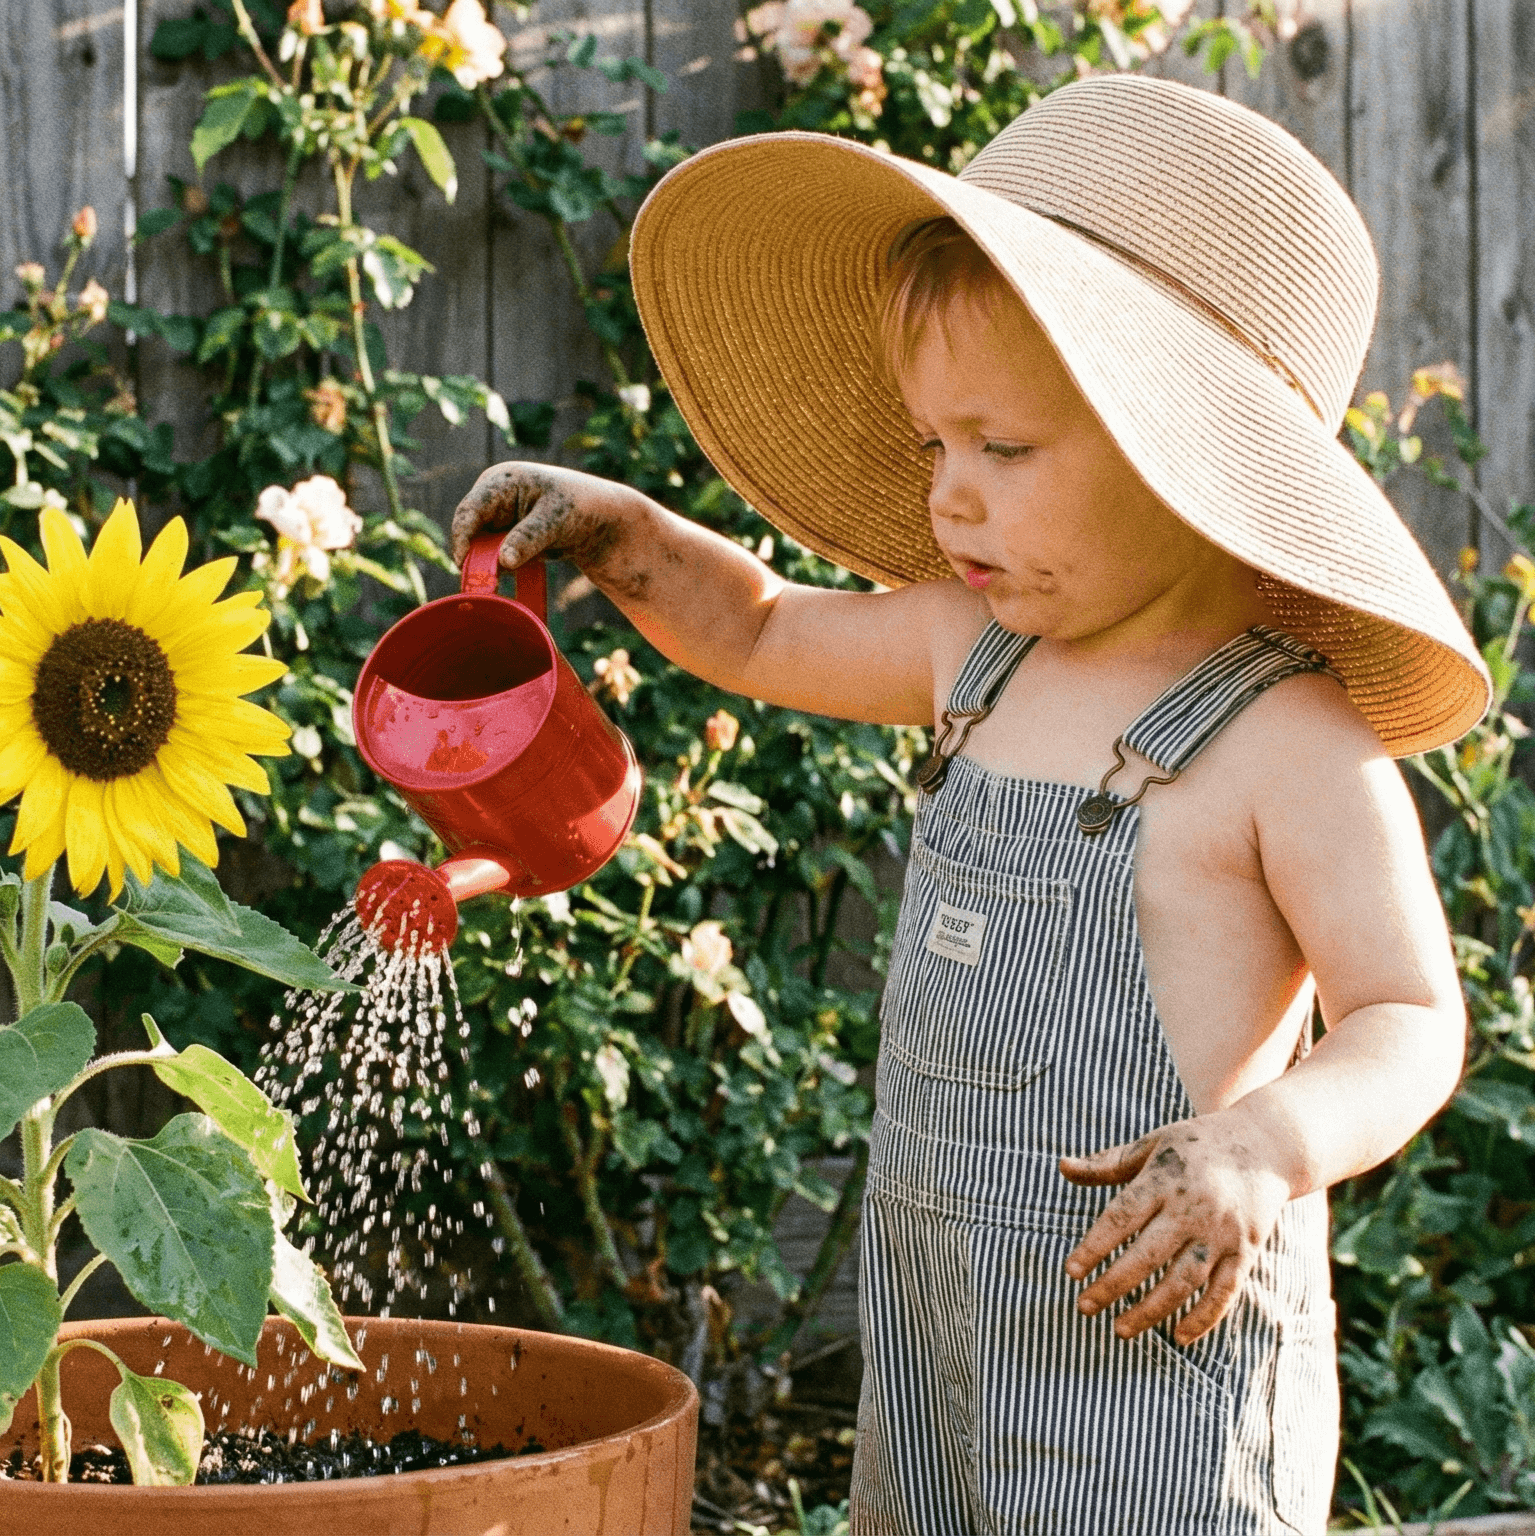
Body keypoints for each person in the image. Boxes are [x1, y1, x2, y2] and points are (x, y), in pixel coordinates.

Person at [449, 74, 1481, 1534]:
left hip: (1158, 1386)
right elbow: (755, 630)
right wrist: (626, 534)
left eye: (1001, 449)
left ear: (1189, 455)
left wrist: (1266, 1144)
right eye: (936, 445)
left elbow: (1410, 1019)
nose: (950, 498)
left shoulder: (1289, 746)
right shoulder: (970, 650)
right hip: (942, 1353)